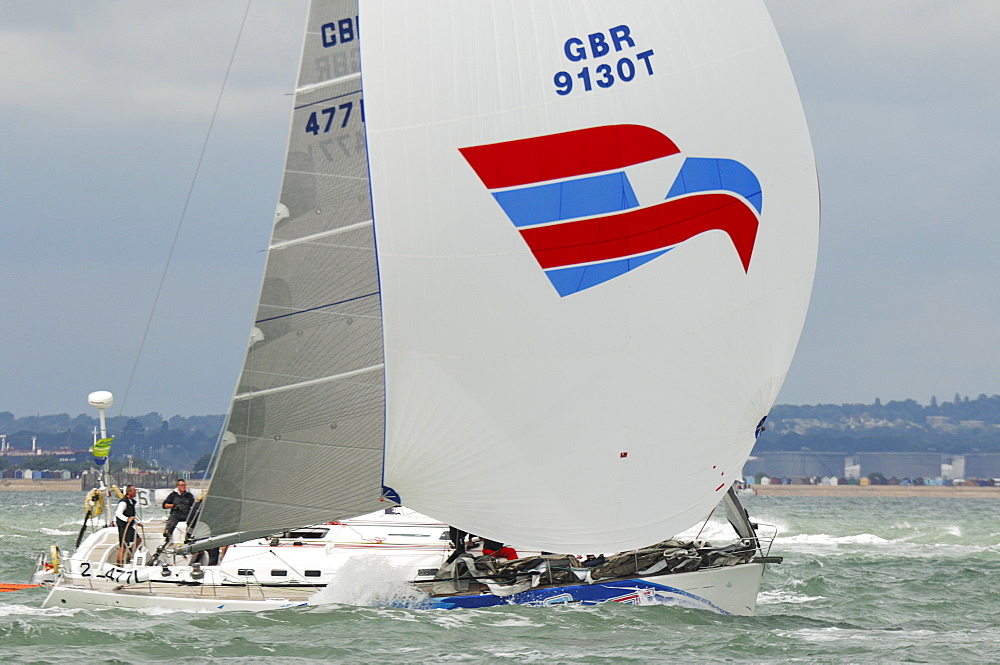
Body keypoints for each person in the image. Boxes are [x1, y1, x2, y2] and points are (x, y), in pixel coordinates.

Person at [161, 478, 196, 543]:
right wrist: (174, 505)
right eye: (182, 485)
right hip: (176, 514)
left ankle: (189, 536)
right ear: (178, 486)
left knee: (192, 521)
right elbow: (164, 505)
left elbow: (194, 505)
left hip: (186, 514)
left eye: (184, 485)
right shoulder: (173, 495)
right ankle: (167, 532)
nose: (183, 487)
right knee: (172, 519)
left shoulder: (189, 495)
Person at [115, 485, 141, 566]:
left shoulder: (131, 502)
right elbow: (118, 513)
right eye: (134, 491)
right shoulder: (123, 502)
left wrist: (136, 522)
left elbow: (131, 515)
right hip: (123, 526)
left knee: (138, 540)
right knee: (123, 547)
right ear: (129, 492)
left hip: (130, 526)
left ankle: (129, 554)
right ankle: (119, 564)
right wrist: (127, 519)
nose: (135, 492)